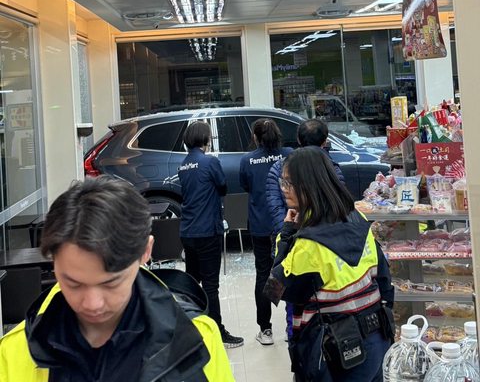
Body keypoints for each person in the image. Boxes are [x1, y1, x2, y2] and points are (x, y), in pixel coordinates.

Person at [0, 176, 234, 382]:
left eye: (111, 283)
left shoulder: (196, 339)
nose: (92, 304)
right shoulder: (15, 352)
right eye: (73, 283)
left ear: (145, 251)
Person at [264, 147, 394, 382]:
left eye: (289, 183)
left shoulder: (309, 244)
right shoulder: (357, 218)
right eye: (282, 182)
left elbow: (276, 289)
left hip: (336, 351)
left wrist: (286, 234)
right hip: (377, 336)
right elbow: (384, 279)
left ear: (310, 184)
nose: (283, 189)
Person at [178, 120, 243, 348]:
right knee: (210, 286)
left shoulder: (183, 165)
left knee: (192, 283)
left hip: (188, 231)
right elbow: (223, 186)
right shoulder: (210, 162)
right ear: (205, 139)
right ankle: (218, 332)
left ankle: (192, 331)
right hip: (207, 231)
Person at [239, 118, 293, 345]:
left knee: (263, 274)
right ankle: (293, 326)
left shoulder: (247, 160)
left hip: (260, 225)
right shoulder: (288, 155)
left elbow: (245, 185)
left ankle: (266, 330)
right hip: (288, 224)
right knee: (292, 271)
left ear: (255, 137)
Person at [266, 119, 345, 236]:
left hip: (294, 234)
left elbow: (275, 207)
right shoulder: (331, 168)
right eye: (285, 183)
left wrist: (285, 234)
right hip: (325, 236)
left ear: (298, 139)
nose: (285, 189)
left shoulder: (279, 166)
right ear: (325, 141)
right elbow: (337, 203)